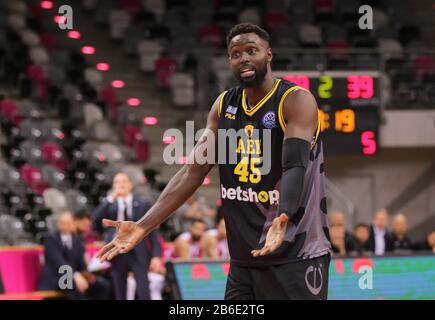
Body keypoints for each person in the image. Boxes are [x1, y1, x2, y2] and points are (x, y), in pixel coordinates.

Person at [97, 23, 331, 300]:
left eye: (251, 50)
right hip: (244, 261)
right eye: (235, 53)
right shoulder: (223, 106)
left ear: (268, 54)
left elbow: (295, 165)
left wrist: (284, 214)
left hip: (296, 254)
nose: (243, 58)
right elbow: (192, 172)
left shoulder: (295, 100)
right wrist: (144, 225)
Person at [92, 172, 162, 300]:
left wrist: (156, 256)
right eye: (117, 182)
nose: (121, 185)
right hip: (116, 251)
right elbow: (95, 219)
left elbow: (153, 231)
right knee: (120, 290)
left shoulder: (142, 203)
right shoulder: (109, 204)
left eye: (124, 181)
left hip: (139, 251)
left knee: (143, 290)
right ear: (113, 186)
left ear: (130, 185)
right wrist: (110, 198)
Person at [38, 212, 111, 299]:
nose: (67, 226)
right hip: (56, 278)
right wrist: (75, 276)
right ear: (59, 224)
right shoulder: (50, 239)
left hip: (75, 276)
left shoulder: (77, 240)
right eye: (64, 223)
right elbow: (60, 263)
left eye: (69, 223)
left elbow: (80, 263)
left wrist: (87, 274)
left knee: (103, 284)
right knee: (73, 283)